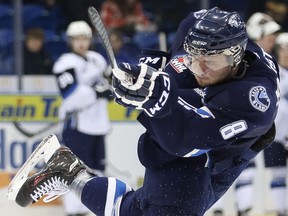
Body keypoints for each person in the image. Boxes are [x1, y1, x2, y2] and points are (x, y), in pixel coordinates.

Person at [7, 7, 279, 216]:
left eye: (209, 61)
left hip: (216, 142)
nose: (199, 68)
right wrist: (141, 82)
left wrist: (155, 100)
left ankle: (71, 174)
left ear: (235, 56)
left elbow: (187, 140)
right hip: (192, 140)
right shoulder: (194, 32)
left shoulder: (254, 97)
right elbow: (173, 70)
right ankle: (71, 175)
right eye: (194, 58)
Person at [211, 12, 282, 216]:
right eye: (269, 36)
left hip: (249, 125)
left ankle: (244, 210)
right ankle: (216, 210)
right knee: (220, 166)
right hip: (227, 122)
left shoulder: (265, 60)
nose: (273, 41)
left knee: (243, 168)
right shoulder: (241, 56)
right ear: (256, 33)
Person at [52, 20, 112, 216]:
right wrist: (97, 92)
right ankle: (73, 210)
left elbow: (108, 85)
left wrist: (112, 84)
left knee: (97, 169)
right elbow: (70, 95)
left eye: (84, 38)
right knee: (74, 170)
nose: (81, 42)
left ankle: (94, 207)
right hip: (77, 126)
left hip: (98, 124)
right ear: (70, 41)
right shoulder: (64, 63)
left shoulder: (97, 59)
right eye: (77, 38)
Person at [262, 32, 288, 216]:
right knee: (277, 175)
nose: (287, 53)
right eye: (284, 48)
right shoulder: (271, 73)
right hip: (275, 134)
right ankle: (281, 211)